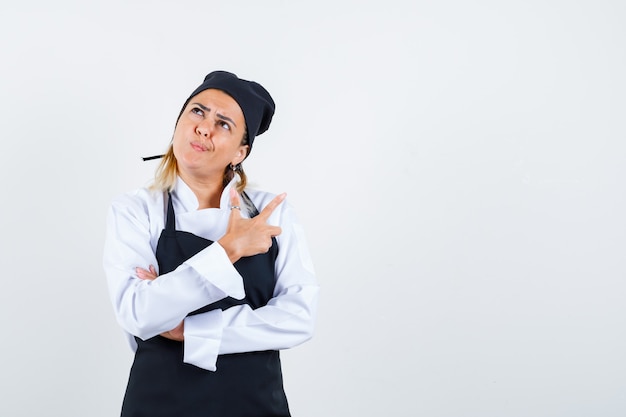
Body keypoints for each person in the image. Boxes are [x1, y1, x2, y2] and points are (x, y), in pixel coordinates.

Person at [103, 70, 319, 417]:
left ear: (240, 152)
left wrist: (192, 329)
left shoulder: (270, 212)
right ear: (178, 124)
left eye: (224, 124)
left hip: (256, 407)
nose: (204, 127)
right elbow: (139, 313)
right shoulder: (136, 210)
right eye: (197, 111)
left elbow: (298, 317)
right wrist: (229, 248)